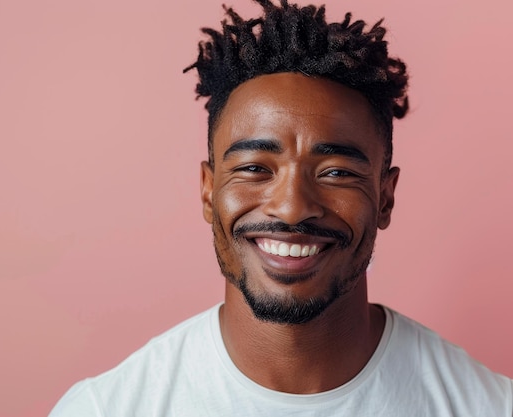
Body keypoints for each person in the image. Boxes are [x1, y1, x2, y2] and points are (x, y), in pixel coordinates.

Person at [49, 1, 513, 415]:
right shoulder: (107, 407)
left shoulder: (488, 405)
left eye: (336, 172)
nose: (291, 209)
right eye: (254, 168)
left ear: (386, 196)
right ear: (209, 191)